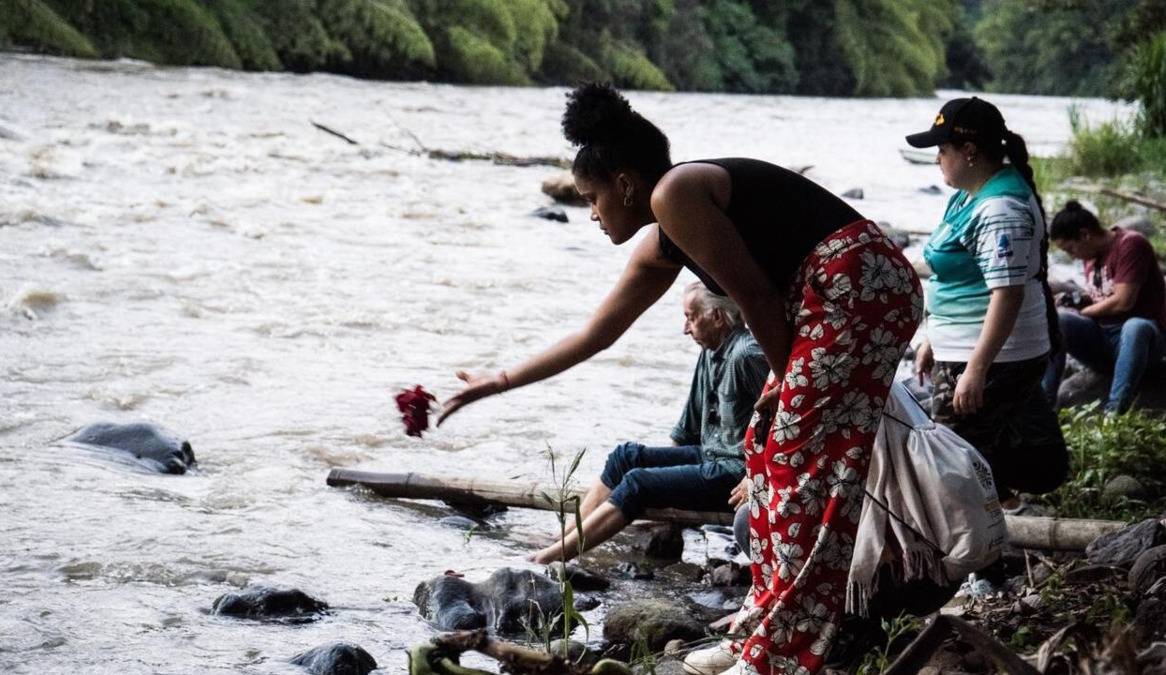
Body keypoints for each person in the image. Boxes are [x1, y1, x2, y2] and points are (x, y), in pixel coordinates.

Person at [441, 83, 923, 675]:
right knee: (764, 456)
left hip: (860, 286)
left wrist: (779, 389)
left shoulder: (677, 192)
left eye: (592, 198)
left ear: (625, 183)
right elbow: (597, 334)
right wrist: (498, 380)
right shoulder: (665, 241)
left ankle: (786, 654)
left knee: (800, 475)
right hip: (832, 301)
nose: (591, 213)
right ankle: (760, 632)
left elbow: (753, 295)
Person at [525, 282, 768, 565]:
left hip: (735, 473)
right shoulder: (710, 352)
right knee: (625, 457)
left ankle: (550, 557)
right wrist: (671, 477)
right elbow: (687, 428)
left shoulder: (747, 354)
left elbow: (782, 416)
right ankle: (563, 537)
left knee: (638, 483)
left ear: (716, 316)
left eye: (691, 317)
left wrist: (756, 476)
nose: (686, 329)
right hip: (710, 456)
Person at [905, 97, 1068, 508]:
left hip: (995, 353)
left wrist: (976, 368)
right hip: (967, 343)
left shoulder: (1000, 208)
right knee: (971, 449)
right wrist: (932, 341)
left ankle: (980, 558)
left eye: (943, 150)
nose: (937, 159)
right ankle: (1000, 509)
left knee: (950, 460)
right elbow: (960, 276)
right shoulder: (970, 193)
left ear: (970, 151)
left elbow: (1007, 294)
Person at [1041, 201, 1166, 414]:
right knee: (1059, 319)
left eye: (1070, 248)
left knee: (1135, 327)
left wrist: (1083, 312)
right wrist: (1075, 300)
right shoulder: (1091, 257)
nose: (1072, 257)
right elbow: (1102, 295)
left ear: (1085, 235)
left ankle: (1114, 412)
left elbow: (1123, 300)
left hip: (1143, 345)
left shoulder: (1131, 244)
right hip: (1104, 342)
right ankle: (1044, 406)